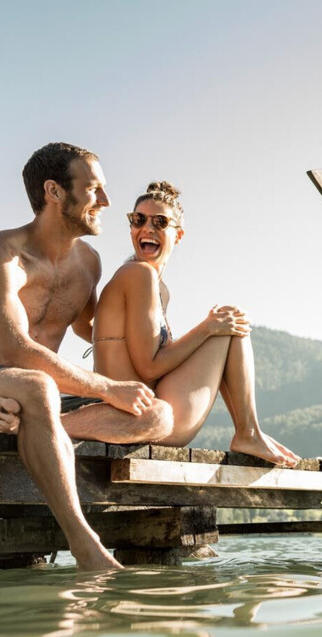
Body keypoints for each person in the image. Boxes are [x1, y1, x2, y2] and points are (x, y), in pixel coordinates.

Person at [0, 143, 174, 571]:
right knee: (37, 383)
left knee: (158, 416)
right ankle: (84, 544)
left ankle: (28, 430)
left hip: (33, 400)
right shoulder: (0, 255)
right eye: (94, 189)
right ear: (55, 192)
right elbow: (16, 352)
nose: (106, 201)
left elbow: (96, 332)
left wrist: (151, 291)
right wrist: (107, 388)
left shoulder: (90, 264)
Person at [92, 182, 297, 465]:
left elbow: (151, 363)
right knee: (227, 323)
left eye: (160, 222)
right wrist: (207, 328)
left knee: (228, 322)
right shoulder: (137, 274)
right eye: (138, 220)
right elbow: (149, 367)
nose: (147, 228)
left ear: (178, 235)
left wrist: (211, 328)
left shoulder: (158, 287)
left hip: (148, 411)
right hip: (137, 418)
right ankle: (248, 432)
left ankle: (250, 432)